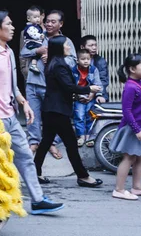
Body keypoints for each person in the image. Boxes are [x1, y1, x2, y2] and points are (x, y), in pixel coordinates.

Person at [0, 10, 64, 214]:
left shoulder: (8, 52)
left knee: (25, 156)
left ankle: (37, 200)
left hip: (10, 115)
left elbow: (12, 85)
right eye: (8, 24)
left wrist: (24, 102)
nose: (13, 27)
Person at [33, 36, 103, 188]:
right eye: (66, 45)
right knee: (71, 143)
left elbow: (62, 87)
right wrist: (89, 88)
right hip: (57, 110)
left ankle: (35, 172)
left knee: (46, 142)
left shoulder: (55, 63)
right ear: (59, 47)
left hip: (52, 109)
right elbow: (69, 86)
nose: (69, 47)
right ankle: (83, 176)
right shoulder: (59, 65)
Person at [21, 10, 77, 161]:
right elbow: (24, 52)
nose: (49, 24)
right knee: (32, 115)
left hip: (50, 87)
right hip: (32, 83)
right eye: (48, 21)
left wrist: (55, 58)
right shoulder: (38, 36)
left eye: (53, 22)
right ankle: (34, 141)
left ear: (61, 24)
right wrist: (37, 50)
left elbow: (73, 62)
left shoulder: (65, 41)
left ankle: (50, 142)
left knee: (52, 118)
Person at [109, 53, 141, 200]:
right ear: (132, 69)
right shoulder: (130, 87)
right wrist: (136, 130)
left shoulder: (140, 83)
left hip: (139, 126)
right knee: (129, 158)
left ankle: (136, 187)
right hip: (132, 128)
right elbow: (126, 111)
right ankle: (119, 189)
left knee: (140, 158)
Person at [71, 49, 103, 146]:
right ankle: (81, 135)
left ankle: (89, 136)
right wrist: (76, 95)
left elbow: (98, 83)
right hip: (78, 97)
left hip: (90, 96)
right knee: (79, 116)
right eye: (83, 59)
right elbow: (71, 85)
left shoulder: (94, 70)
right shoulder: (73, 70)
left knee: (90, 116)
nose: (86, 61)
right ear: (77, 60)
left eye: (88, 59)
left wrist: (97, 95)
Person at [80, 35, 109, 104]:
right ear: (82, 47)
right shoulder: (77, 61)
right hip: (81, 94)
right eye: (91, 45)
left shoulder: (100, 61)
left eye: (95, 45)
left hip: (98, 94)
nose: (94, 48)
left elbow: (103, 80)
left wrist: (96, 93)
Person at [23, 6, 46, 74]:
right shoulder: (30, 27)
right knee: (39, 53)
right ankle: (34, 65)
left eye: (38, 17)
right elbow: (33, 34)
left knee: (37, 55)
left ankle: (34, 65)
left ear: (43, 15)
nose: (37, 19)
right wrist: (40, 36)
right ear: (28, 18)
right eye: (35, 17)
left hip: (34, 44)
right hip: (32, 43)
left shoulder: (37, 27)